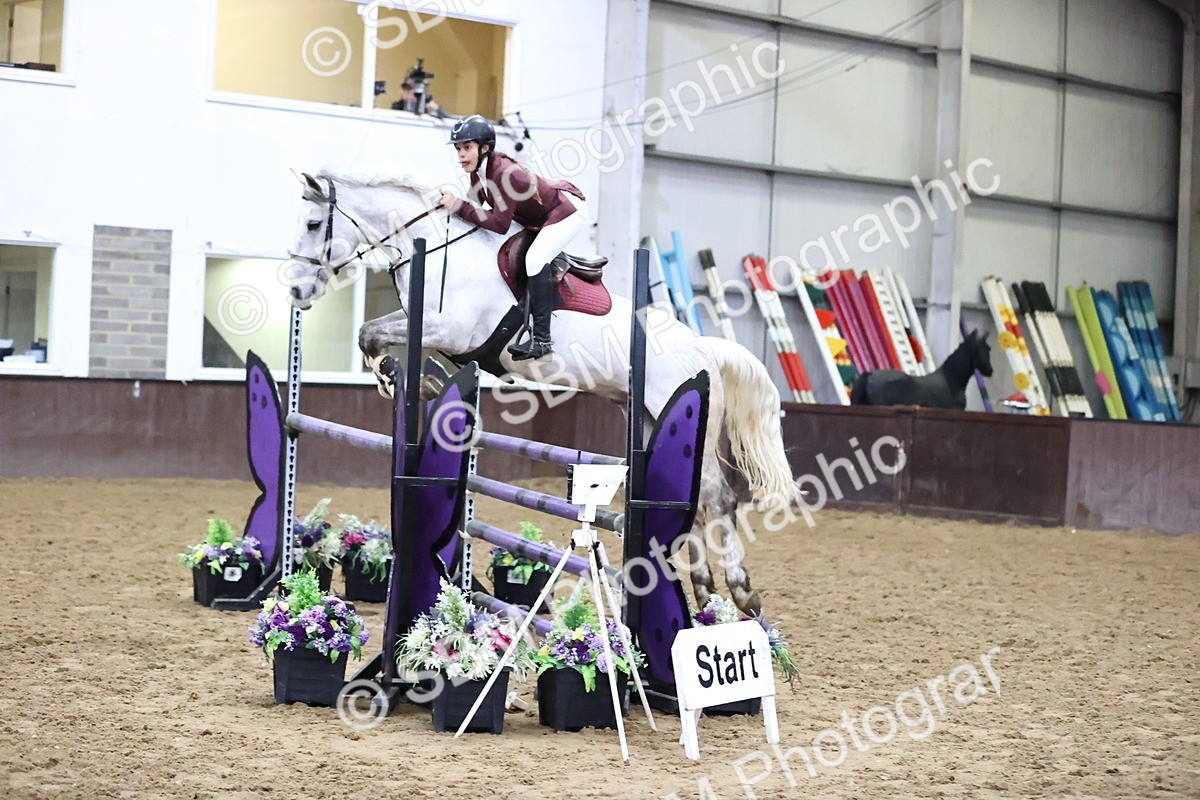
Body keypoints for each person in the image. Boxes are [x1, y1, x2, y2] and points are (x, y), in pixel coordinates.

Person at [438, 114, 587, 361]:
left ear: (484, 148)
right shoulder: (478, 172)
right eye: (458, 149)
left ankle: (542, 340)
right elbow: (474, 210)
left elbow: (498, 224)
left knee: (535, 259)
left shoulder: (504, 174)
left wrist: (458, 206)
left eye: (467, 147)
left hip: (566, 211)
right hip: (535, 215)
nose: (461, 154)